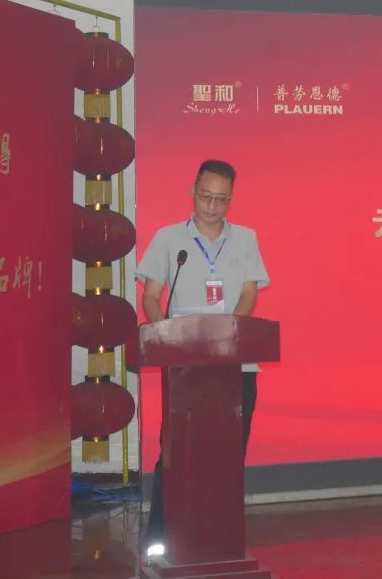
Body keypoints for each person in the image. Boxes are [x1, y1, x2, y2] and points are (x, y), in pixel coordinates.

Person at [137, 159, 270, 559]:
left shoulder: (245, 238)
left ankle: (222, 541)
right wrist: (165, 337)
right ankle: (159, 540)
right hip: (185, 369)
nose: (212, 206)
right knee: (176, 455)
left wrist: (231, 332)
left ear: (231, 199)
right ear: (193, 193)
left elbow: (249, 292)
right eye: (206, 197)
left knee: (229, 456)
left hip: (234, 366)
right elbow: (151, 296)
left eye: (221, 199)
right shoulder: (168, 239)